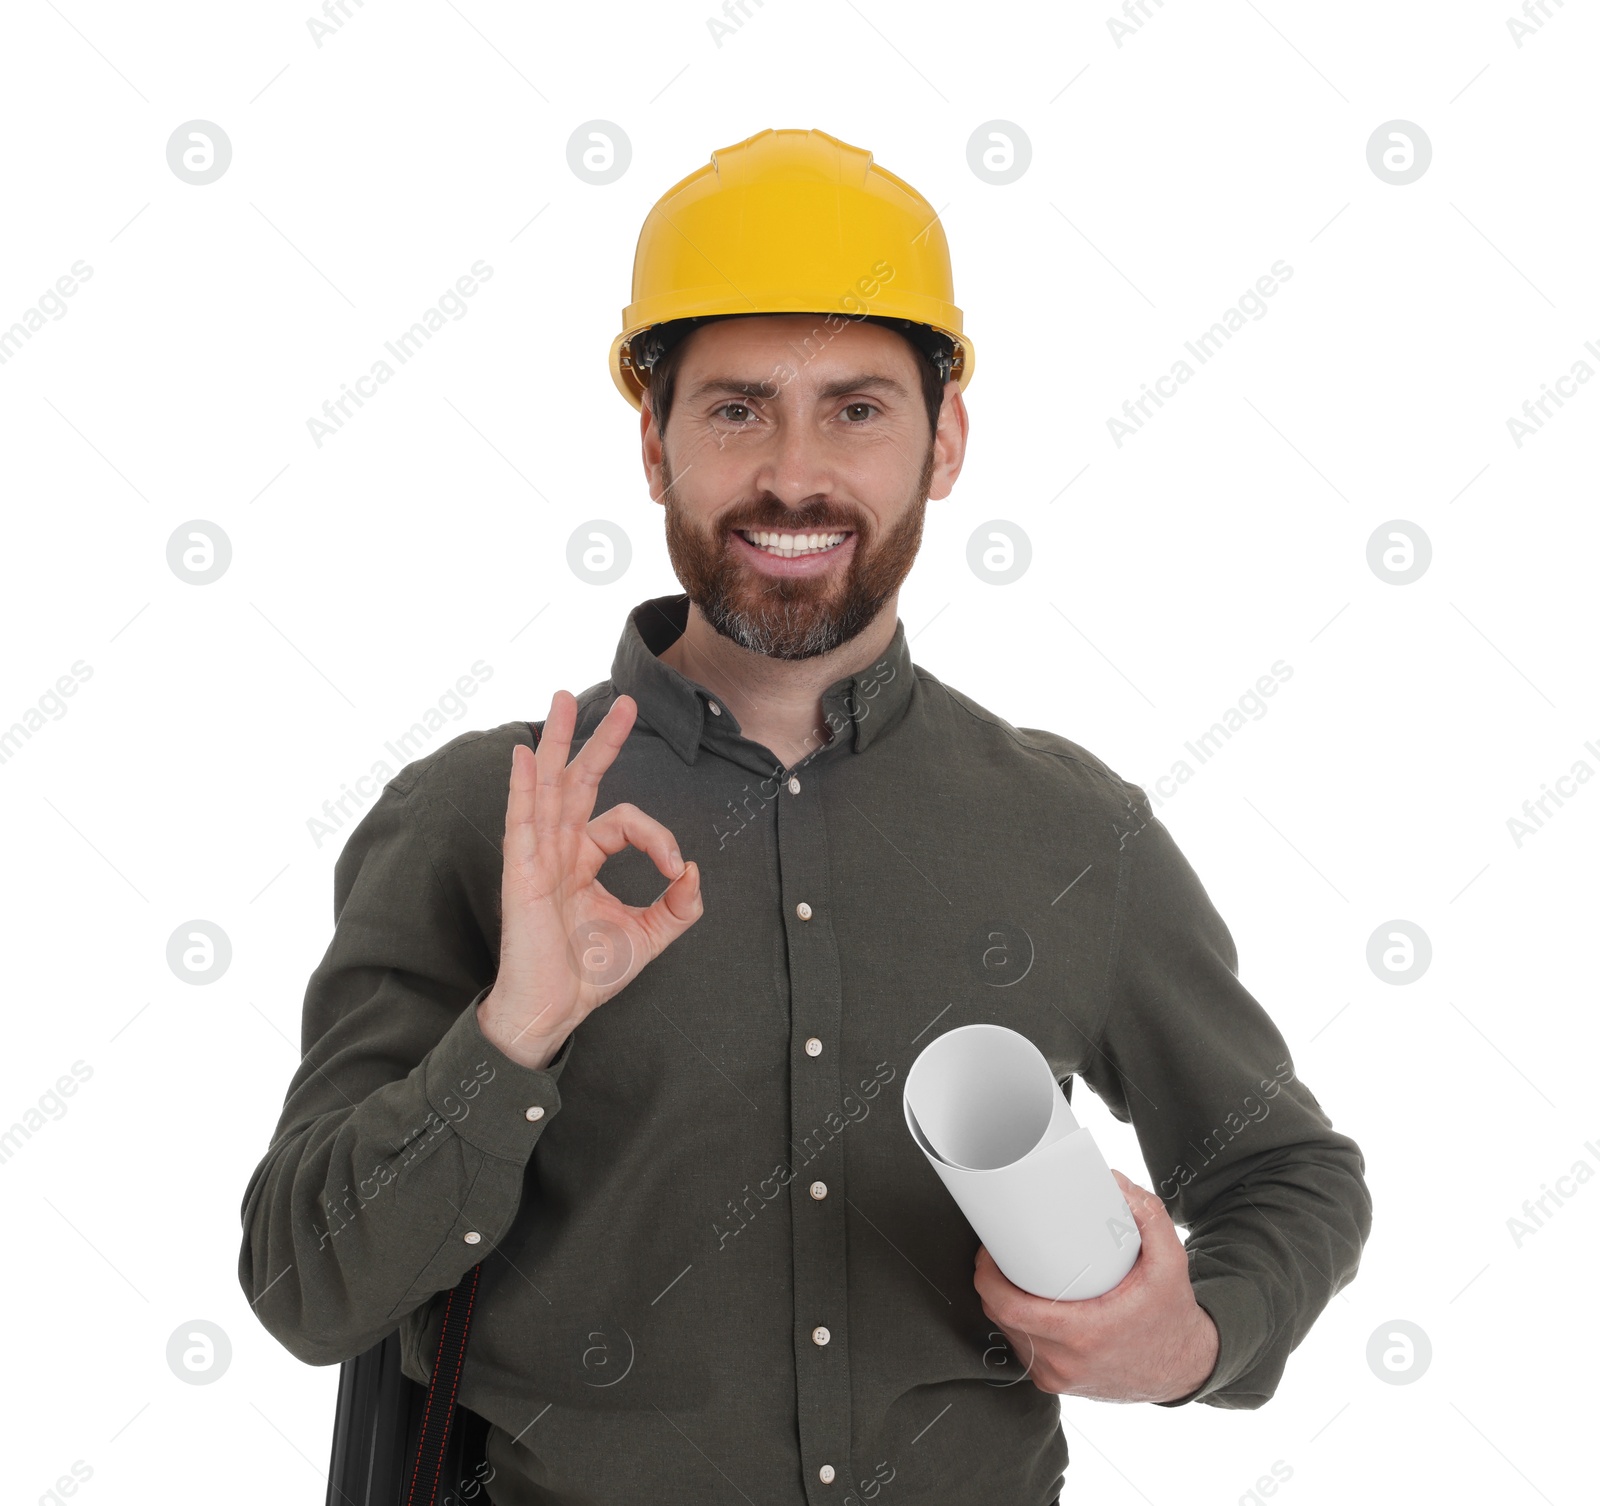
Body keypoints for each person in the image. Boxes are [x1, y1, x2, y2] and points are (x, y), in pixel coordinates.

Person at [239, 127, 1371, 1506]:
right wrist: (513, 1033)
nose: (791, 474)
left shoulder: (1073, 832)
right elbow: (306, 1285)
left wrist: (1193, 1334)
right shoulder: (487, 816)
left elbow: (1289, 1171)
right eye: (733, 409)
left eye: (855, 408)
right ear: (652, 445)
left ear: (944, 441)